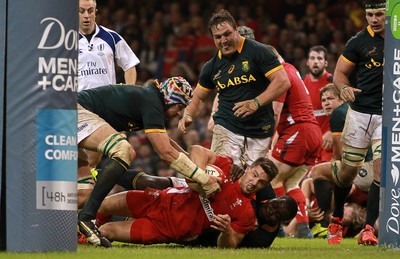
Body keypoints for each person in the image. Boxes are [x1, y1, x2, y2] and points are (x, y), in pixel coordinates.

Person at [77, 76, 221, 247]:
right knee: (124, 151)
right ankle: (86, 218)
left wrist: (195, 164)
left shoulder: (149, 98)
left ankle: (41, 219)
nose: (179, 113)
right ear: (170, 100)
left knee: (82, 195)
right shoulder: (152, 102)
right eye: (179, 106)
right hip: (75, 112)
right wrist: (203, 178)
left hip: (73, 115)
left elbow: (165, 142)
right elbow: (165, 153)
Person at [95, 145, 281, 248]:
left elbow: (230, 245)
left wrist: (226, 231)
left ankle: (88, 234)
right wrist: (201, 178)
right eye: (254, 175)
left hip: (166, 229)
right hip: (159, 199)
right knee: (103, 205)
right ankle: (85, 230)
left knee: (106, 231)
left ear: (265, 186)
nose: (255, 183)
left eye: (262, 183)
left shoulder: (247, 212)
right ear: (248, 169)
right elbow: (197, 149)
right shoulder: (227, 167)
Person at [178, 9, 290, 167]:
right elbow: (198, 96)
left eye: (227, 34)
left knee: (252, 181)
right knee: (223, 172)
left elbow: (283, 81)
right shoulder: (211, 67)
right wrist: (188, 114)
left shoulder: (259, 52)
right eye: (217, 37)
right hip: (226, 126)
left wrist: (255, 103)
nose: (223, 40)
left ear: (236, 30)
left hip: (259, 129)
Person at [328, 0, 385, 246]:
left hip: (389, 116)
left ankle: (369, 228)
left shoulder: (397, 41)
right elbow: (339, 74)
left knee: (382, 170)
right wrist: (343, 88)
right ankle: (337, 217)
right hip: (360, 113)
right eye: (370, 14)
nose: (374, 19)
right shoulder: (358, 42)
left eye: (379, 14)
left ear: (389, 14)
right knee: (348, 171)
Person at [266, 45, 322, 238]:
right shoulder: (292, 69)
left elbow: (275, 111)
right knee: (292, 184)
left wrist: (267, 139)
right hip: (313, 132)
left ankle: (279, 229)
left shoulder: (280, 75)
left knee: (273, 177)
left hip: (298, 130)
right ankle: (305, 230)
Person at [78, 0, 140, 91]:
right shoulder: (67, 41)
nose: (86, 16)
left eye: (90, 11)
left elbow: (129, 65)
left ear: (95, 13)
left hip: (106, 101)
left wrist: (130, 92)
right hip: (79, 102)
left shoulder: (112, 37)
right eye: (81, 11)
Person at [303, 45, 333, 162]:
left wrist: (332, 131)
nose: (316, 62)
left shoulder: (332, 82)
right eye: (312, 58)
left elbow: (344, 110)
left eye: (320, 58)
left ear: (325, 63)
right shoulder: (302, 82)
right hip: (309, 144)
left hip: (328, 143)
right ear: (307, 62)